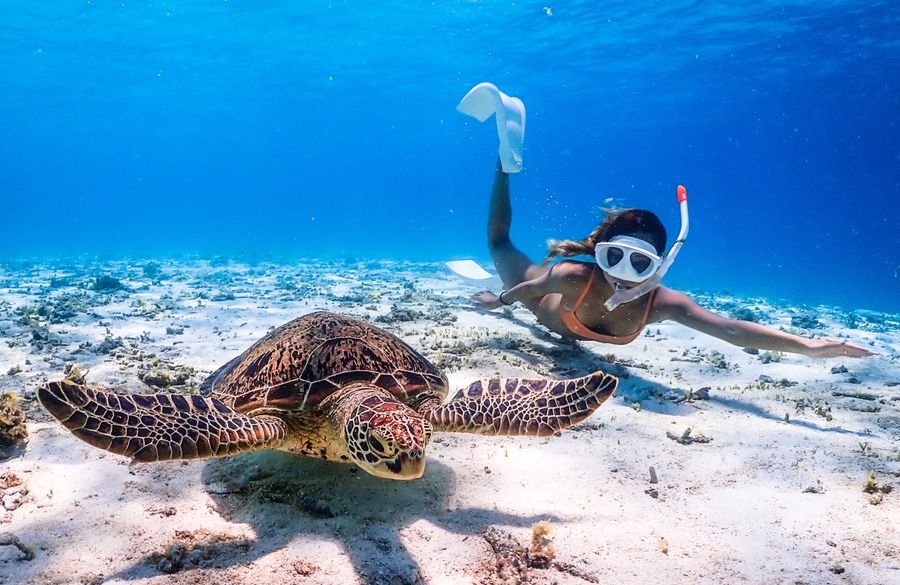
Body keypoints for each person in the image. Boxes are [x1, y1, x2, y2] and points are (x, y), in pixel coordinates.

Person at [459, 84, 872, 359]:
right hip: (537, 302)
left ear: (660, 265)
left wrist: (809, 345)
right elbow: (528, 289)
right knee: (498, 241)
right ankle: (504, 161)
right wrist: (498, 301)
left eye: (639, 264)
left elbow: (731, 330)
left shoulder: (663, 304)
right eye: (614, 257)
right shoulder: (571, 275)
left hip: (552, 302)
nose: (623, 275)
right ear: (599, 252)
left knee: (500, 243)